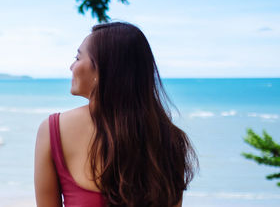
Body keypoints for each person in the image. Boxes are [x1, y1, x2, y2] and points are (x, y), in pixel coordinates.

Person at [34, 22, 197, 207]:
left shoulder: (53, 130)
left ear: (102, 69)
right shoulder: (167, 137)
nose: (71, 66)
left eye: (78, 58)